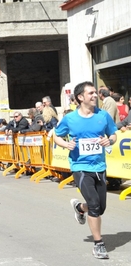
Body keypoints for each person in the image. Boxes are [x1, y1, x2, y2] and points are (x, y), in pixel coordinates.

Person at [54, 81, 117, 260]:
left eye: (95, 92)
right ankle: (99, 244)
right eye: (91, 93)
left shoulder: (103, 116)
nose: (95, 95)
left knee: (100, 207)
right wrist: (66, 144)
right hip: (80, 166)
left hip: (100, 167)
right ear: (80, 97)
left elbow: (113, 133)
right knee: (95, 205)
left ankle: (80, 208)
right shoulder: (70, 119)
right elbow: (56, 136)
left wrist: (109, 141)